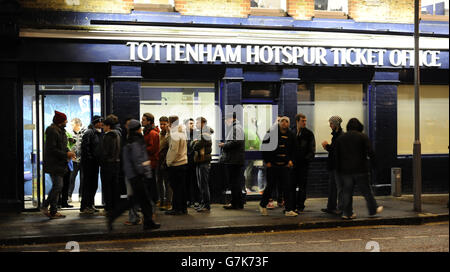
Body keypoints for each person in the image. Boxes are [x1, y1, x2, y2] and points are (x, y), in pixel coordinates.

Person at [107, 119, 160, 231]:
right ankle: (113, 216)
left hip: (134, 175)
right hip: (137, 176)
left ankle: (148, 222)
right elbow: (138, 159)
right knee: (138, 201)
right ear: (137, 129)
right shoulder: (136, 141)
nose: (141, 129)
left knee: (139, 200)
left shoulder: (129, 140)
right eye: (140, 128)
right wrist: (144, 173)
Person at [334, 118, 383, 220]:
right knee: (366, 191)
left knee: (347, 192)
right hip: (361, 169)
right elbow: (371, 152)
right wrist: (375, 165)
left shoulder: (341, 138)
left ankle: (347, 213)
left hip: (346, 171)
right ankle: (373, 209)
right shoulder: (363, 137)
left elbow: (337, 155)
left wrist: (338, 169)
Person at [259, 116, 297, 217]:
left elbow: (294, 149)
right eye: (282, 121)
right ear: (279, 123)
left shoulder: (291, 135)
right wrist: (267, 161)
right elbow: (264, 147)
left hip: (285, 166)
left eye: (286, 121)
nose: (284, 123)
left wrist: (291, 161)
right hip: (273, 165)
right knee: (270, 187)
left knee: (287, 187)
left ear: (289, 124)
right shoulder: (271, 133)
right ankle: (262, 205)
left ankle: (288, 209)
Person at [41, 111, 76, 219]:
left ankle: (53, 211)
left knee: (58, 187)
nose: (66, 121)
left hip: (59, 163)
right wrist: (66, 154)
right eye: (65, 120)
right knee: (58, 186)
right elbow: (52, 149)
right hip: (54, 164)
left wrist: (69, 152)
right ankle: (45, 205)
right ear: (60, 121)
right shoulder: (52, 131)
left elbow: (63, 146)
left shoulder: (61, 131)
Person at [220, 112, 245, 210]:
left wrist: (224, 145)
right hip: (234, 159)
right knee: (235, 182)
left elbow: (236, 142)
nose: (225, 122)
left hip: (234, 160)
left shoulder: (236, 128)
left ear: (231, 119)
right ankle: (237, 203)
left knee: (234, 183)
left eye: (226, 120)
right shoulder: (236, 127)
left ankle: (236, 204)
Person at [165, 115, 189, 215]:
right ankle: (183, 208)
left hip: (176, 164)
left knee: (176, 188)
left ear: (170, 122)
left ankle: (176, 209)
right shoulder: (181, 131)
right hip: (183, 162)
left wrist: (169, 162)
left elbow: (173, 149)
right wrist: (168, 132)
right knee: (181, 188)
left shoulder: (175, 133)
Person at [80, 115, 104, 214]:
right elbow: (85, 148)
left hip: (94, 163)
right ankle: (85, 206)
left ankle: (90, 205)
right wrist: (90, 159)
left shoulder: (97, 133)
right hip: (89, 164)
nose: (102, 123)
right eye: (100, 121)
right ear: (96, 122)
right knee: (88, 185)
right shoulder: (89, 133)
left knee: (93, 185)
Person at [321, 115, 344, 215]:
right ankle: (331, 207)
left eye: (331, 123)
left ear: (336, 124)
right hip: (333, 166)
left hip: (337, 166)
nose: (330, 125)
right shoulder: (336, 135)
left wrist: (326, 146)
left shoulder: (340, 135)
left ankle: (341, 208)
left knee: (339, 188)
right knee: (332, 188)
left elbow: (336, 151)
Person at [293, 113, 316, 213]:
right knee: (291, 186)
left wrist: (306, 160)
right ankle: (292, 205)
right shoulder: (291, 132)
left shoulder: (308, 133)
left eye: (305, 121)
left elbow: (312, 149)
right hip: (292, 164)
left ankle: (300, 206)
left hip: (303, 165)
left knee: (302, 186)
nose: (305, 123)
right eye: (303, 121)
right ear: (297, 121)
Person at [100, 114, 121, 215]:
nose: (102, 127)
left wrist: (102, 159)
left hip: (108, 164)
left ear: (108, 126)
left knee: (107, 187)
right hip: (116, 163)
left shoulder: (108, 136)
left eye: (104, 125)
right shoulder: (118, 134)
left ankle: (109, 208)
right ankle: (115, 207)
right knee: (115, 186)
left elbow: (105, 151)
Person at [192, 117, 214, 212]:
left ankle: (206, 205)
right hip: (200, 161)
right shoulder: (201, 134)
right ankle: (202, 203)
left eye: (197, 122)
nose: (196, 124)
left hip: (204, 161)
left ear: (203, 123)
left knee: (203, 184)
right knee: (200, 184)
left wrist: (195, 142)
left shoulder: (205, 134)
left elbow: (195, 146)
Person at [142, 113, 160, 205]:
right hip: (148, 161)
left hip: (151, 162)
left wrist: (142, 149)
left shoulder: (152, 133)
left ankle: (152, 201)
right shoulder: (147, 132)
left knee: (151, 183)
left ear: (149, 121)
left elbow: (153, 148)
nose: (142, 121)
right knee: (149, 183)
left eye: (144, 120)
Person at [68, 118, 85, 203]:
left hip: (83, 160)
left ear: (78, 124)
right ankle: (69, 196)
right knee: (71, 178)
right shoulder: (70, 134)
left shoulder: (85, 132)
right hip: (74, 160)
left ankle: (81, 196)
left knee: (83, 179)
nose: (71, 126)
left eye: (72, 125)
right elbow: (69, 145)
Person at [184, 118, 200, 208]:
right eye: (190, 123)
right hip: (185, 161)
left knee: (195, 182)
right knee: (186, 182)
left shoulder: (196, 134)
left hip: (194, 161)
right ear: (185, 125)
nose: (192, 125)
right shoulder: (183, 134)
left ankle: (196, 200)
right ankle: (188, 200)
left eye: (193, 124)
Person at [157, 116, 172, 211]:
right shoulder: (159, 134)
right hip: (159, 160)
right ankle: (161, 200)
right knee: (159, 181)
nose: (162, 126)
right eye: (161, 124)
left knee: (167, 183)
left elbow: (170, 148)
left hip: (166, 161)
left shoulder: (169, 134)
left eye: (164, 124)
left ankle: (168, 202)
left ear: (168, 124)